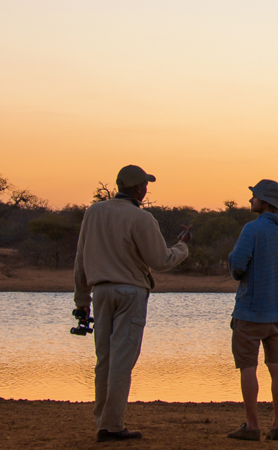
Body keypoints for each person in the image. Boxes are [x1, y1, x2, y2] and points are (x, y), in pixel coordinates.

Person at [73, 165, 191, 442]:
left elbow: (80, 259)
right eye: (145, 185)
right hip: (130, 293)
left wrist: (82, 300)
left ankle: (103, 421)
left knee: (104, 360)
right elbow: (161, 261)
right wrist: (183, 246)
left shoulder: (93, 212)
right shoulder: (142, 218)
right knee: (122, 362)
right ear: (138, 189)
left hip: (100, 292)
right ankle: (112, 426)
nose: (146, 189)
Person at [225, 179, 278, 441]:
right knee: (277, 366)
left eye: (254, 197)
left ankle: (252, 425)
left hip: (250, 311)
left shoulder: (253, 229)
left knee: (248, 367)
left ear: (264, 202)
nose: (250, 201)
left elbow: (237, 265)